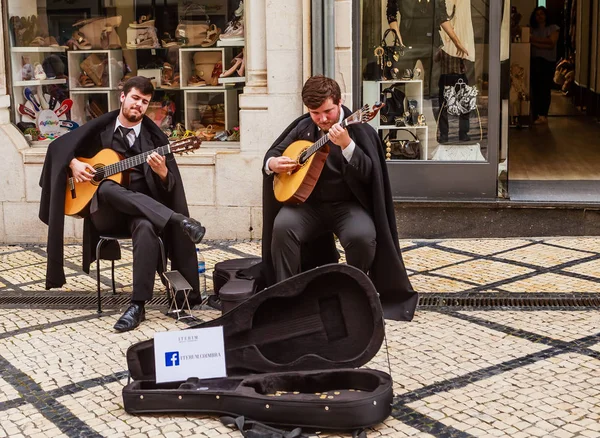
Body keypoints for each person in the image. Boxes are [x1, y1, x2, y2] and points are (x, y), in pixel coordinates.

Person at [39, 76, 206, 332]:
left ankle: (137, 305)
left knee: (147, 228)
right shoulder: (100, 130)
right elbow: (57, 148)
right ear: (123, 97)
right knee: (105, 186)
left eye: (145, 102)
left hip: (142, 215)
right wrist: (74, 163)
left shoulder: (155, 140)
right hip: (105, 214)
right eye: (135, 98)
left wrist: (162, 173)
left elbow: (170, 186)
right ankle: (177, 220)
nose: (139, 105)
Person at [249, 75, 417, 321]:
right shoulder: (303, 126)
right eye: (315, 113)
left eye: (327, 111)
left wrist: (348, 145)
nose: (322, 118)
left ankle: (352, 294)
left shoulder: (358, 128)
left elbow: (371, 175)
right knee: (283, 227)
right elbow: (273, 153)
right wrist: (273, 163)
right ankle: (285, 297)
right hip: (308, 207)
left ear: (340, 102)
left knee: (361, 236)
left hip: (348, 205)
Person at [436, 0, 475, 143]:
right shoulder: (442, 39)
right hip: (446, 75)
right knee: (443, 107)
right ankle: (444, 134)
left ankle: (463, 133)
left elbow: (467, 57)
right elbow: (435, 59)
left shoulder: (463, 35)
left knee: (464, 105)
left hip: (459, 75)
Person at [529, 6, 559, 125]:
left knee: (545, 88)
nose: (539, 16)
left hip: (548, 61)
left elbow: (551, 43)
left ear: (546, 15)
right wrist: (543, 42)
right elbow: (545, 42)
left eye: (542, 14)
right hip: (535, 60)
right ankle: (536, 114)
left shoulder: (553, 28)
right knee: (535, 88)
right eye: (537, 14)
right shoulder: (532, 28)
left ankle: (543, 114)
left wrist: (534, 41)